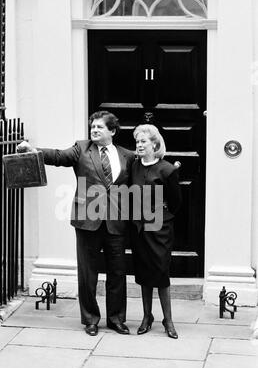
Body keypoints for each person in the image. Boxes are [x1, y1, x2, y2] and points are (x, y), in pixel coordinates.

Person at [17, 111, 135, 336]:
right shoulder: (81, 149)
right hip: (87, 221)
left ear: (112, 131)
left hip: (117, 222)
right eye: (93, 126)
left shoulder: (127, 155)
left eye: (100, 127)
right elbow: (59, 156)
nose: (95, 130)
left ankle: (116, 319)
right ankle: (90, 319)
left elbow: (141, 179)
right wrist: (35, 151)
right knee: (88, 273)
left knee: (117, 273)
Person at [130, 124, 182, 339]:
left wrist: (160, 216)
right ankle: (146, 317)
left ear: (155, 144)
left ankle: (168, 320)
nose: (139, 145)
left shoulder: (167, 169)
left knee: (160, 272)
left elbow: (176, 202)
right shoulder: (133, 166)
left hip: (160, 228)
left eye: (143, 141)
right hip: (138, 228)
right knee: (143, 273)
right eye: (137, 142)